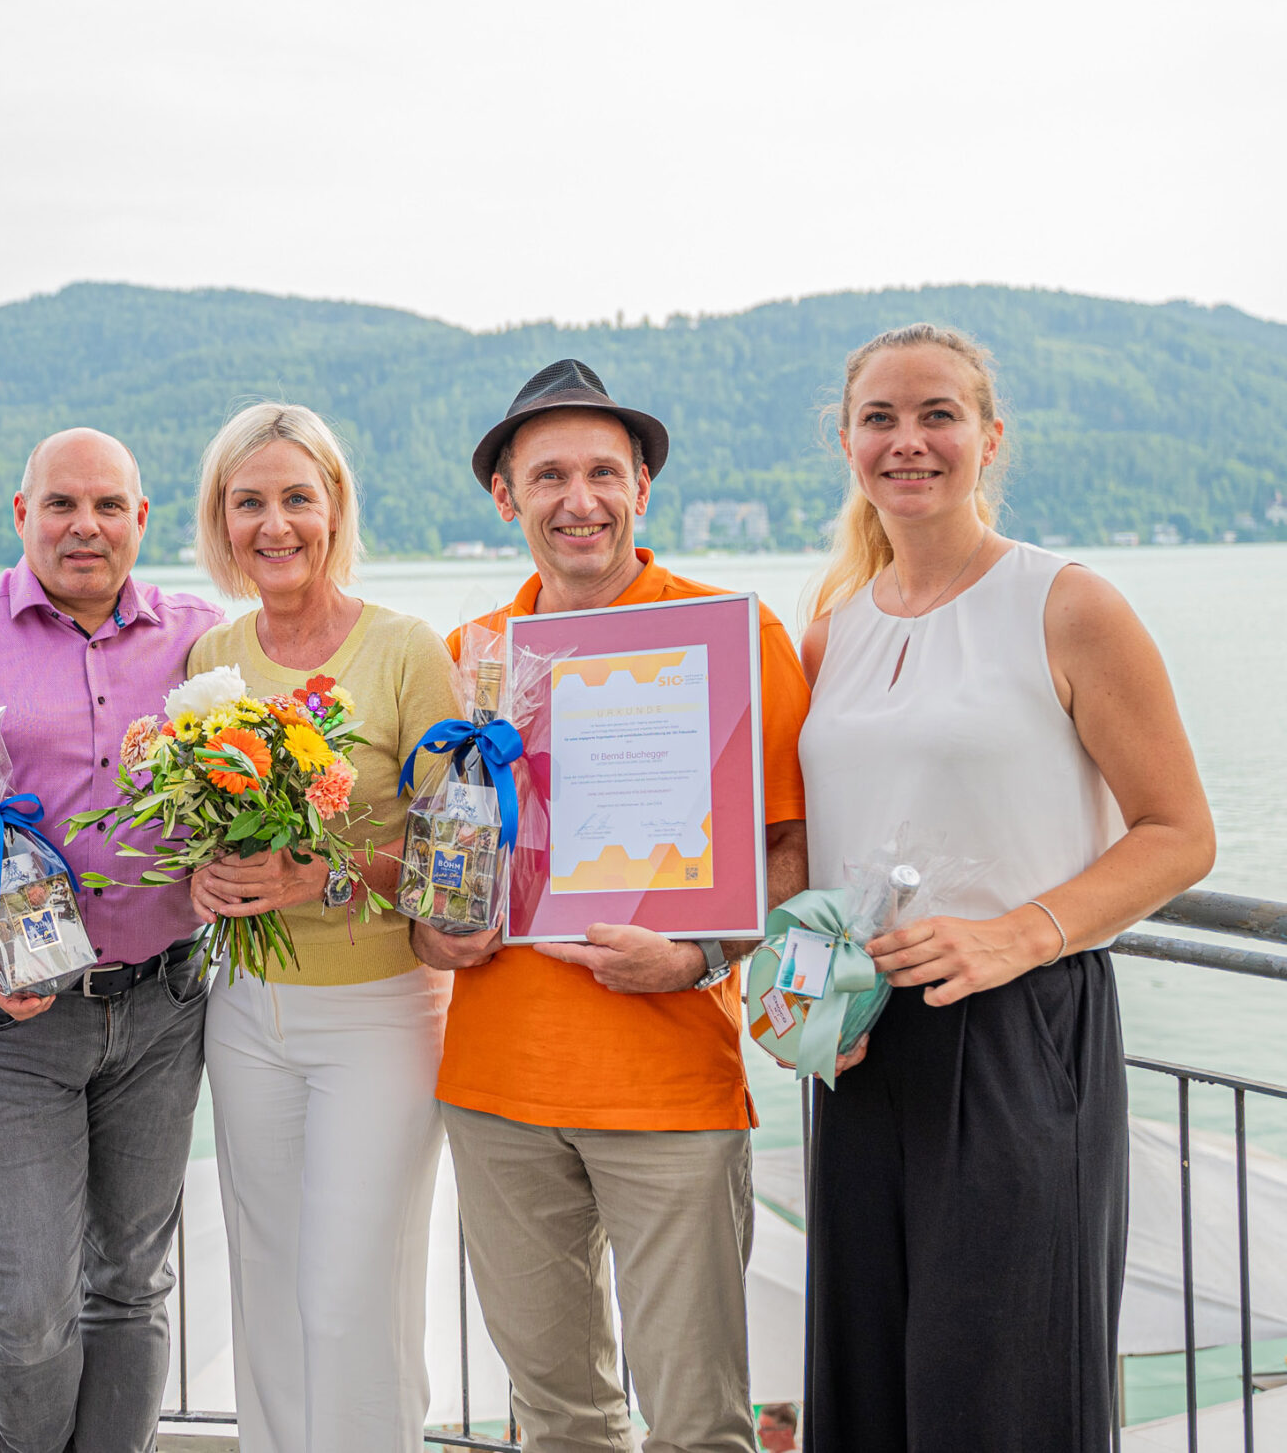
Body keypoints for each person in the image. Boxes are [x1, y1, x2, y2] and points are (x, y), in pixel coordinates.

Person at [798, 325, 1214, 1451]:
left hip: (1021, 1033)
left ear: (989, 438)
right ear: (846, 442)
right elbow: (813, 853)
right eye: (880, 418)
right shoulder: (827, 631)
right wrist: (790, 997)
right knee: (868, 1383)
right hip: (857, 1044)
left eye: (936, 414)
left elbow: (1179, 833)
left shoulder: (1066, 603)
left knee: (1005, 1388)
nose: (907, 440)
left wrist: (1016, 936)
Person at [414, 359, 812, 1453]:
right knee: (558, 1417)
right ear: (505, 496)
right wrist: (434, 926)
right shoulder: (469, 658)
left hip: (669, 1083)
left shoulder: (727, 636)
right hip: (496, 1086)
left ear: (642, 484)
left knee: (698, 1422)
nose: (575, 497)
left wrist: (699, 956)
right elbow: (434, 875)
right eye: (547, 474)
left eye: (601, 470)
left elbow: (787, 845)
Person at [0, 428, 222, 1453]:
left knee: (130, 1279)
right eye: (62, 504)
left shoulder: (204, 641)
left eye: (108, 505)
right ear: (19, 512)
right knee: (29, 1301)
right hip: (13, 1012)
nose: (86, 525)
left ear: (142, 520)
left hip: (165, 1000)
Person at [184, 402, 456, 1453]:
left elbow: (451, 857)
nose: (275, 522)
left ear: (335, 507)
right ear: (222, 518)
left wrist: (323, 873)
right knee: (269, 1284)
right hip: (246, 1012)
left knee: (353, 1294)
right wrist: (207, 878)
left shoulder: (404, 650)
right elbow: (206, 826)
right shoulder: (214, 652)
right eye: (249, 501)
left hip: (379, 1016)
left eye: (298, 496)